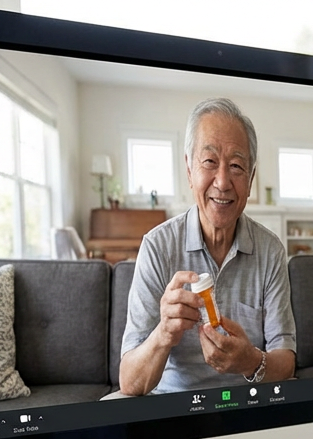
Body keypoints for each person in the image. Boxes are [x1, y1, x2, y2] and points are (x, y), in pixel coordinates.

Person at [119, 97, 297, 395]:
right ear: (190, 170)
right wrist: (164, 333)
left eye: (237, 166)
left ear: (251, 179)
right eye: (209, 162)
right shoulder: (157, 247)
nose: (223, 182)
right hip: (178, 407)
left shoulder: (270, 251)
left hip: (249, 403)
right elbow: (130, 382)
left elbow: (287, 361)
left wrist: (251, 361)